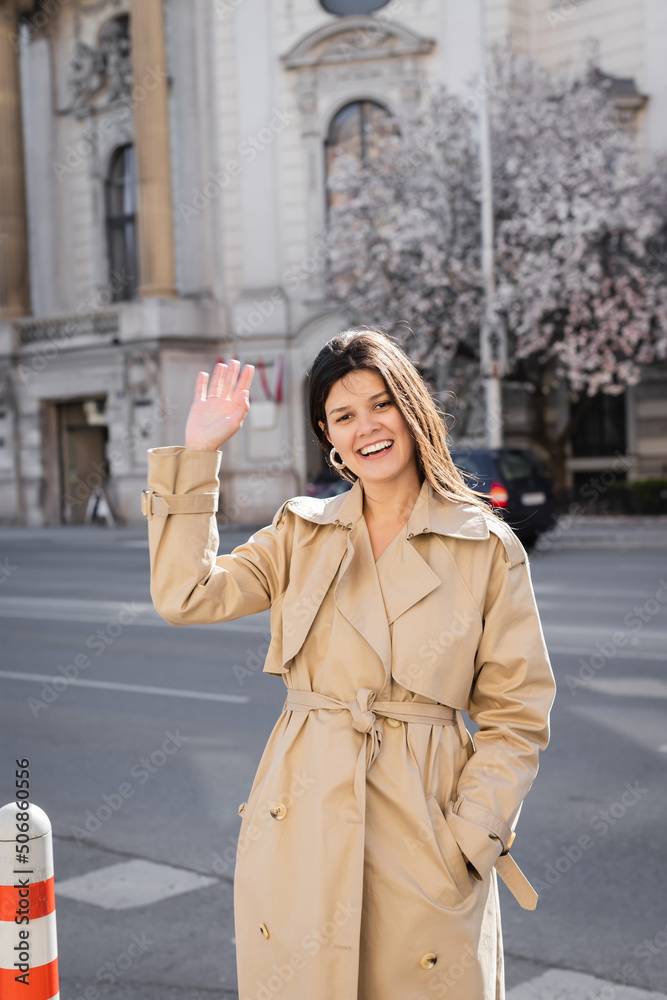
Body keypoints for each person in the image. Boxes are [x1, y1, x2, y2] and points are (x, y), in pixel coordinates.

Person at [142, 329, 557, 1000]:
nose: (366, 426)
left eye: (380, 403)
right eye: (343, 415)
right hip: (302, 820)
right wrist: (198, 457)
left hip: (424, 831)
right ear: (327, 437)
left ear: (412, 409)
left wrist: (470, 838)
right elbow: (185, 596)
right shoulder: (301, 532)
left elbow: (517, 717)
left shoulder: (484, 548)